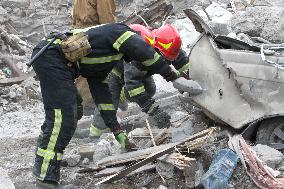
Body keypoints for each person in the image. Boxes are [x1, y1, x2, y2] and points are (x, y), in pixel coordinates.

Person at [32, 23, 183, 188]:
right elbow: (144, 51)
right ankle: (46, 180)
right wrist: (173, 77)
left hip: (56, 62)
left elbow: (103, 99)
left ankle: (45, 159)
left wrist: (117, 131)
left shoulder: (104, 63)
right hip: (51, 57)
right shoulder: (120, 32)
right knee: (63, 118)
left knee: (74, 110)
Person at [89, 24, 190, 136]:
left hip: (138, 70)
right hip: (113, 70)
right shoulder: (137, 52)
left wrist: (189, 80)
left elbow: (180, 60)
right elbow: (133, 87)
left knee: (150, 89)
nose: (164, 62)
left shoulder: (166, 44)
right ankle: (96, 135)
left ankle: (123, 96)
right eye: (163, 58)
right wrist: (155, 113)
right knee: (109, 105)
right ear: (155, 48)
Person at [72, 0, 117, 138]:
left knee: (83, 80)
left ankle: (76, 121)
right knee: (103, 82)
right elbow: (108, 22)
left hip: (82, 39)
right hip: (94, 40)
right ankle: (97, 123)